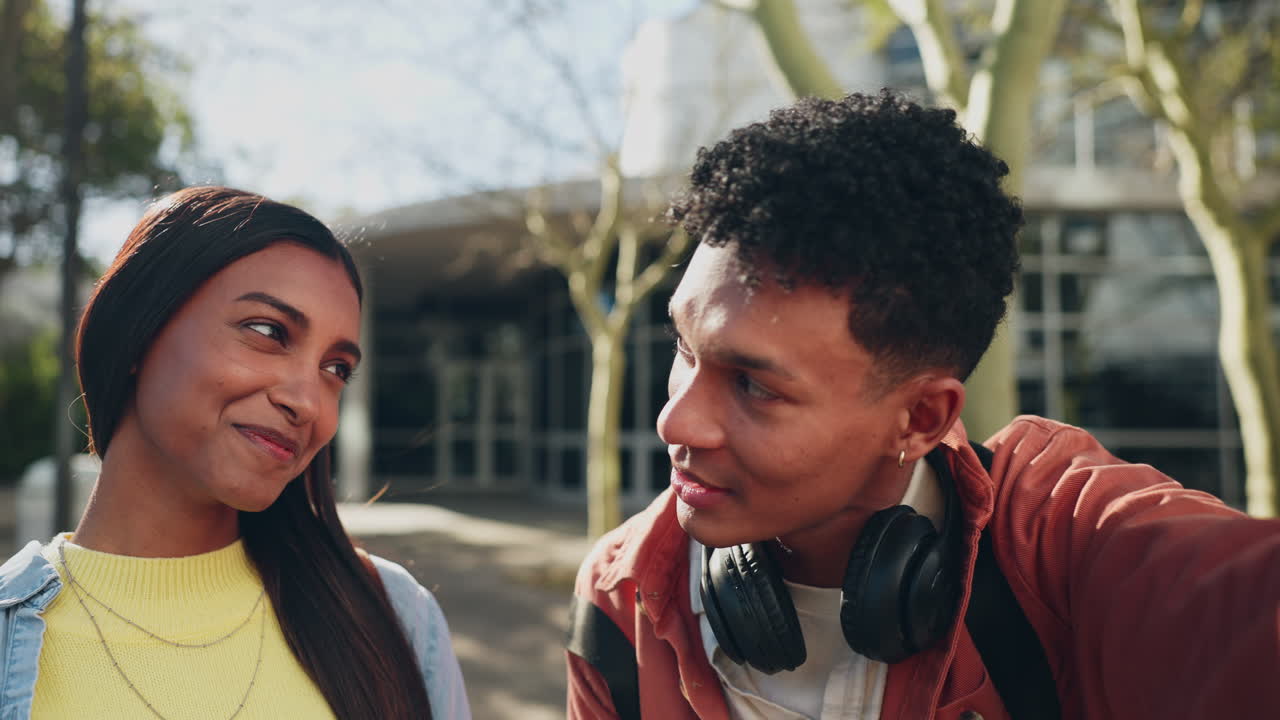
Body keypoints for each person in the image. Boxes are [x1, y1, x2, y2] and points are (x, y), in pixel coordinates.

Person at [565, 91, 1280, 719]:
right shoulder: (619, 599)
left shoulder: (1067, 539)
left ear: (921, 419)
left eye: (755, 385)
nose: (674, 422)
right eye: (684, 348)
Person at [0, 187, 470, 719]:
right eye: (268, 331)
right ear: (138, 330)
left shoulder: (397, 619)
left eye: (335, 369)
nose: (308, 402)